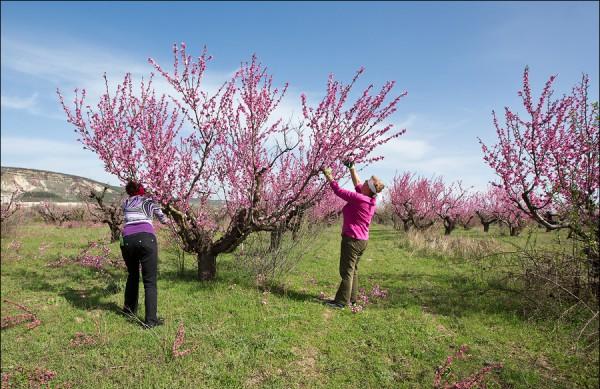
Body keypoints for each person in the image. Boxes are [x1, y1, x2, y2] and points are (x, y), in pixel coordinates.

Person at [321, 162, 385, 308]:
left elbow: (338, 191)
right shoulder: (369, 199)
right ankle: (352, 299)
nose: (363, 183)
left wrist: (328, 175)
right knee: (353, 270)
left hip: (352, 239)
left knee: (346, 271)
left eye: (366, 183)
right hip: (362, 240)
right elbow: (357, 183)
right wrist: (352, 168)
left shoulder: (359, 199)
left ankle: (341, 302)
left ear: (369, 188)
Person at [120, 180, 169, 328]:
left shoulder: (125, 203)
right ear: (142, 190)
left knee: (132, 275)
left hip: (127, 239)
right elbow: (163, 219)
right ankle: (150, 321)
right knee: (149, 281)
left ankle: (128, 310)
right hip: (146, 239)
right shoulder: (149, 201)